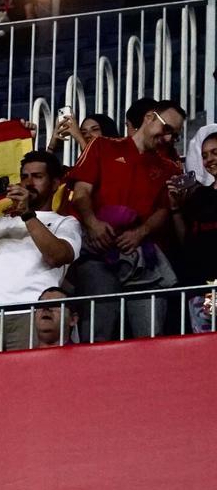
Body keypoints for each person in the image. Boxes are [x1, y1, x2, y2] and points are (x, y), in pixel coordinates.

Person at [70, 100, 186, 341]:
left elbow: (164, 210)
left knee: (151, 335)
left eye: (174, 134)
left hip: (141, 255)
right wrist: (92, 224)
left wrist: (141, 232)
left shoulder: (169, 168)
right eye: (166, 129)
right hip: (98, 252)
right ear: (149, 117)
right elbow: (81, 192)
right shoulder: (101, 146)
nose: (168, 138)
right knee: (97, 334)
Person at [0, 150, 82, 352]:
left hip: (33, 313)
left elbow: (57, 256)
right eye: (24, 177)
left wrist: (27, 213)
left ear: (54, 184)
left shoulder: (66, 223)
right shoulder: (1, 221)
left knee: (26, 380)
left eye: (37, 177)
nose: (28, 182)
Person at [168, 126, 217, 331]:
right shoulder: (198, 197)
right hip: (200, 287)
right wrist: (175, 208)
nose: (209, 160)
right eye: (205, 155)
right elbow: (186, 241)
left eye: (215, 152)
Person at [52, 112, 121, 154]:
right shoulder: (80, 165)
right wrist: (51, 146)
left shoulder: (121, 157)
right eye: (83, 133)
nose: (87, 135)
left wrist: (79, 137)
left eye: (95, 129)